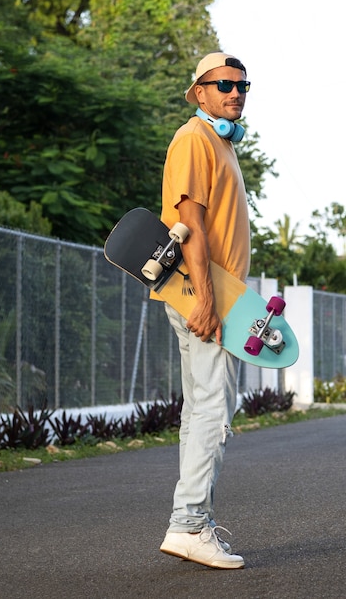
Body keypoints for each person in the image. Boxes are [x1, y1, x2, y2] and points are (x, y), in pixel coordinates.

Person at [157, 52, 251, 569]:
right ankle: (189, 523)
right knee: (215, 409)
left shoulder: (221, 142)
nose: (235, 92)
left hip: (219, 294)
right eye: (223, 85)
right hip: (207, 296)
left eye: (243, 85)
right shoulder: (195, 138)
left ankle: (191, 521)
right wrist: (208, 301)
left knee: (200, 410)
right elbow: (187, 223)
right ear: (199, 91)